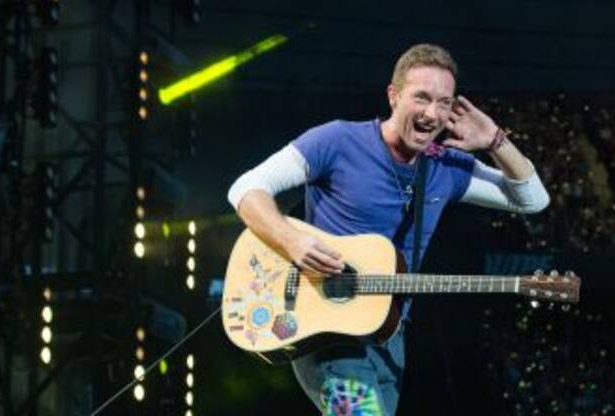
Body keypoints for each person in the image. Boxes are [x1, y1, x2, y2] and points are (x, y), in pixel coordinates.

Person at [226, 43, 550, 415]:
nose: (432, 114)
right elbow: (245, 189)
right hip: (328, 335)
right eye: (421, 98)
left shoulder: (447, 167)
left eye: (444, 103)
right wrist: (292, 241)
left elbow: (533, 200)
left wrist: (495, 141)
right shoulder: (337, 141)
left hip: (387, 335)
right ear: (393, 96)